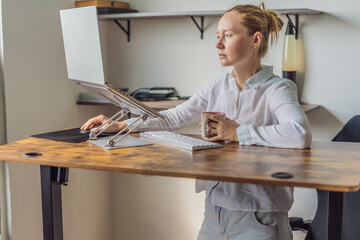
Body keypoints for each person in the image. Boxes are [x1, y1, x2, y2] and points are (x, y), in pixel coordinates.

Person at [81, 3, 311, 240]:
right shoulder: (217, 87)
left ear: (255, 40)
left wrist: (237, 133)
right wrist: (121, 125)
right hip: (213, 212)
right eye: (218, 36)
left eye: (228, 35)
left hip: (258, 217)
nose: (218, 44)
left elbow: (299, 134)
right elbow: (174, 117)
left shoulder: (278, 88)